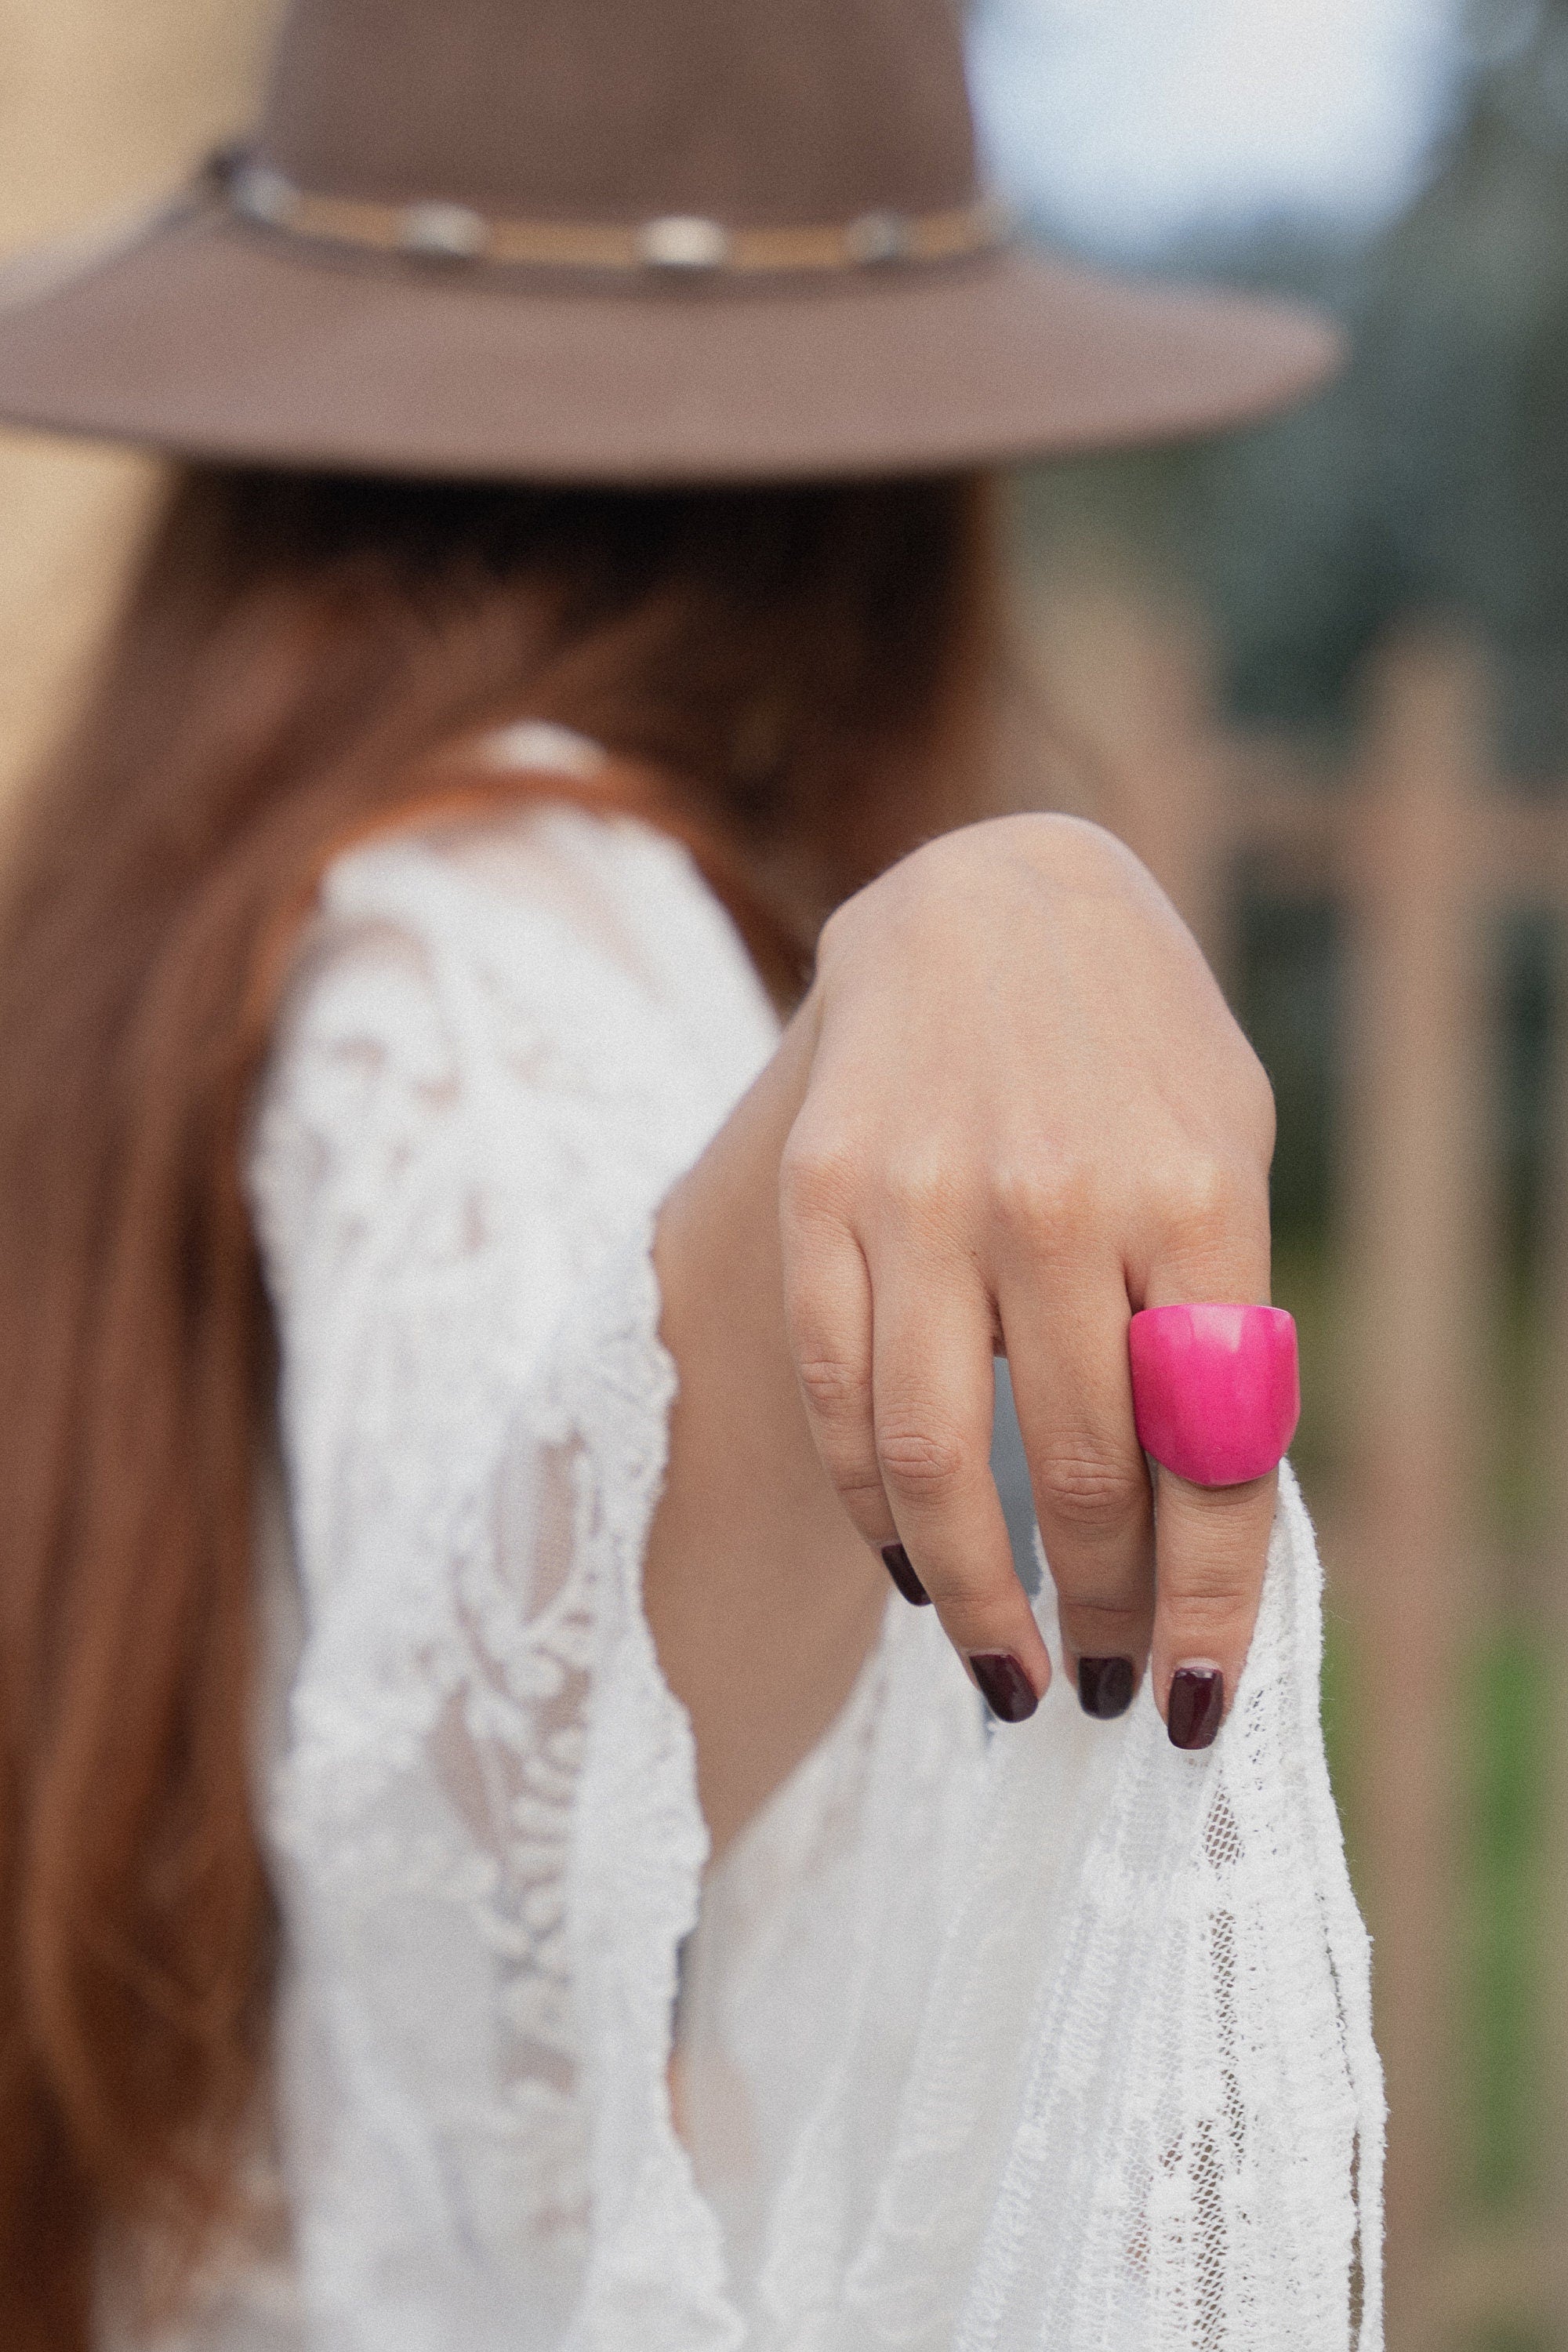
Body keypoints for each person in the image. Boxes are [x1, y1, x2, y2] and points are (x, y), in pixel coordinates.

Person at [0, 2, 1383, 2347]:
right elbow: (486, 1838)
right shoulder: (513, 937)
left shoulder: (225, 904)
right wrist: (968, 928)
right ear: (895, 468)